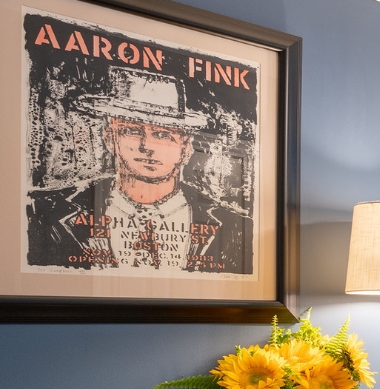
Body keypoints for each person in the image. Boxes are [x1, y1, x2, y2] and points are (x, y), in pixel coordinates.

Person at [26, 66, 250, 274]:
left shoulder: (235, 225)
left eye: (163, 135)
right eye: (132, 131)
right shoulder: (43, 209)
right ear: (110, 139)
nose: (147, 146)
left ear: (186, 148)